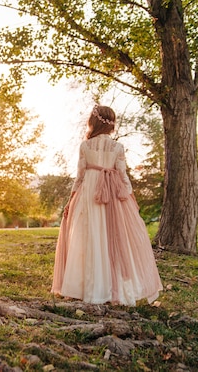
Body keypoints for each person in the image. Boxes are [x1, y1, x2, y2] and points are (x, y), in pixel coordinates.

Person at [52, 105, 163, 305]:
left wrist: (71, 199)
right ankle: (111, 287)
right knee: (112, 237)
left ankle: (83, 287)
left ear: (93, 122)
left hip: (89, 192)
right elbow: (122, 174)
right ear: (111, 124)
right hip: (112, 192)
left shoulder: (85, 146)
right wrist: (130, 196)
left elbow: (80, 176)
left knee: (87, 236)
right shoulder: (117, 147)